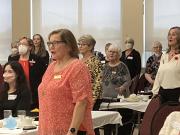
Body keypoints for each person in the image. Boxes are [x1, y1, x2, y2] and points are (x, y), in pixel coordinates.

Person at [38, 29, 95, 135]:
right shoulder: (51, 67)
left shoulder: (77, 67)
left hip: (70, 130)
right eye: (49, 43)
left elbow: (81, 102)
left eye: (55, 43)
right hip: (48, 128)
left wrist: (72, 131)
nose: (51, 47)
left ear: (69, 45)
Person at [102, 44, 132, 135]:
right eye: (110, 51)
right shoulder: (105, 66)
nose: (111, 54)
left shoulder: (122, 66)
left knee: (117, 125)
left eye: (114, 52)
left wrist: (122, 87)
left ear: (119, 54)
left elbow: (128, 81)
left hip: (118, 100)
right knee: (106, 124)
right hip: (105, 99)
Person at [8, 37, 45, 109]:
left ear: (30, 47)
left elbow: (43, 77)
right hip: (16, 93)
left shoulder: (38, 60)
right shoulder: (13, 59)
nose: (21, 46)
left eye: (24, 44)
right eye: (20, 44)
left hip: (32, 94)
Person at [78, 34, 103, 135]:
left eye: (83, 44)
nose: (80, 46)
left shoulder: (95, 61)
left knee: (92, 125)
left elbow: (99, 81)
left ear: (90, 46)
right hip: (81, 97)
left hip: (91, 98)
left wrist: (93, 98)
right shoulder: (79, 61)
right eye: (79, 44)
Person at [152, 26, 180, 104]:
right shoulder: (164, 55)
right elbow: (159, 75)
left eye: (174, 34)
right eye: (169, 34)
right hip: (162, 94)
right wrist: (154, 92)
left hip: (176, 94)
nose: (170, 37)